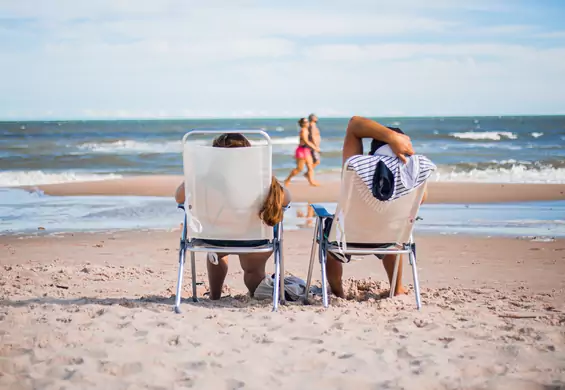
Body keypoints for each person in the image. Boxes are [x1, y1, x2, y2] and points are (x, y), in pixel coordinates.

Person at [174, 133, 291, 300]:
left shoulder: (203, 179)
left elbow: (179, 198)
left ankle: (215, 296)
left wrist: (193, 179)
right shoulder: (261, 179)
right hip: (254, 240)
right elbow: (286, 199)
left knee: (216, 254)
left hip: (213, 238)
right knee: (253, 270)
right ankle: (254, 295)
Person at [324, 116, 421, 299]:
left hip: (346, 238)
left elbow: (354, 124)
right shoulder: (413, 175)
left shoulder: (356, 167)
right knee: (395, 225)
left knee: (328, 233)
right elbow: (420, 201)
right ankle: (397, 287)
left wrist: (390, 137)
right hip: (389, 239)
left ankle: (337, 293)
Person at [284, 118, 320, 187]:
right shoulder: (303, 131)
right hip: (301, 151)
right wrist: (315, 148)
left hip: (306, 150)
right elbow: (306, 141)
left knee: (310, 167)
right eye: (306, 122)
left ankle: (311, 181)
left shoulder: (306, 130)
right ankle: (287, 180)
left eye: (307, 121)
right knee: (299, 168)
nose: (308, 123)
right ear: (303, 124)